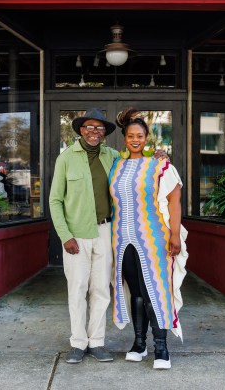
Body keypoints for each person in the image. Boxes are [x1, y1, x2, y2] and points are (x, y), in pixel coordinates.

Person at [109, 107, 188, 370]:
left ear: (146, 138)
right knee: (136, 292)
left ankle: (162, 347)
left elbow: (174, 199)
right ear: (125, 138)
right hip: (122, 238)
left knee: (155, 290)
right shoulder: (116, 165)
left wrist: (175, 234)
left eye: (140, 136)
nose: (135, 139)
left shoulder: (159, 164)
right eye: (130, 135)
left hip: (154, 239)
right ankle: (139, 343)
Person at [49, 107, 118, 364]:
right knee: (77, 290)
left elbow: (136, 170)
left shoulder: (112, 156)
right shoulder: (66, 158)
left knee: (101, 289)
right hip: (76, 234)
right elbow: (55, 200)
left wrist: (157, 156)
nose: (94, 131)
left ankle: (97, 342)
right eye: (89, 127)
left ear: (104, 133)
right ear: (80, 130)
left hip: (105, 232)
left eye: (99, 128)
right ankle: (78, 343)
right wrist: (65, 235)